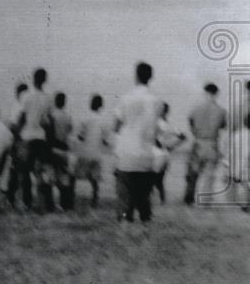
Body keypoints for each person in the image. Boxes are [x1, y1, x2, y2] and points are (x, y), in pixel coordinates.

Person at [113, 62, 163, 223]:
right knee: (144, 204)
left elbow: (116, 126)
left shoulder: (126, 98)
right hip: (146, 157)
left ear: (135, 76)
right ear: (151, 77)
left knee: (124, 206)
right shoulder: (157, 101)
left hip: (126, 155)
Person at [17, 69, 54, 212]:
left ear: (33, 78)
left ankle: (27, 203)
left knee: (24, 172)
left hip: (27, 136)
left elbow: (21, 117)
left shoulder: (26, 96)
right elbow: (48, 121)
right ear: (45, 80)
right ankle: (41, 203)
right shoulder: (48, 98)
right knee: (40, 172)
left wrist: (18, 135)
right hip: (41, 137)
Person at [184, 82, 228, 206]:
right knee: (209, 175)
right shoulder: (221, 111)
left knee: (193, 173)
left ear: (205, 93)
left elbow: (191, 123)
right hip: (212, 144)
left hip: (198, 142)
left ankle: (189, 198)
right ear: (216, 94)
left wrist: (196, 133)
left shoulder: (196, 108)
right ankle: (205, 201)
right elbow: (223, 126)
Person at [73, 94, 113, 209]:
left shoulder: (84, 118)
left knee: (75, 176)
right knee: (95, 180)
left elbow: (80, 136)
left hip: (85, 152)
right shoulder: (103, 120)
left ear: (91, 104)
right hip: (96, 154)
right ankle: (94, 200)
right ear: (101, 105)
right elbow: (105, 140)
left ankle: (70, 197)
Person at [152, 102, 186, 204]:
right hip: (165, 155)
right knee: (159, 181)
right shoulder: (170, 125)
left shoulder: (155, 123)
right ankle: (162, 201)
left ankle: (153, 201)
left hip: (155, 155)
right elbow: (183, 136)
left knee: (150, 179)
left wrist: (160, 143)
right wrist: (171, 146)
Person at [4, 82, 30, 208]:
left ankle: (12, 198)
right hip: (25, 140)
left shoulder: (16, 106)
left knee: (15, 171)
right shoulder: (27, 105)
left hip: (18, 140)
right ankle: (24, 199)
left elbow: (12, 125)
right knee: (24, 172)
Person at [49, 92, 75, 211]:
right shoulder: (68, 116)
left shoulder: (51, 115)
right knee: (64, 177)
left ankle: (54, 204)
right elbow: (69, 131)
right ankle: (64, 204)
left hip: (53, 147)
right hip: (64, 148)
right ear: (64, 102)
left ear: (55, 101)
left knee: (53, 177)